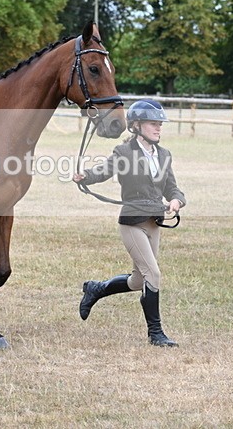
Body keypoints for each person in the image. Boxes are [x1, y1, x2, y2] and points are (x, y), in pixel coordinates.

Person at [73, 99, 186, 347]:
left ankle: (96, 288)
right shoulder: (124, 152)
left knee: (138, 280)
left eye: (160, 124)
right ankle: (155, 334)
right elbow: (104, 171)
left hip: (154, 223)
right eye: (153, 124)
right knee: (153, 274)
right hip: (132, 222)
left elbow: (172, 188)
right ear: (136, 125)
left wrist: (177, 201)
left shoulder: (164, 155)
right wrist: (86, 177)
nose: (158, 128)